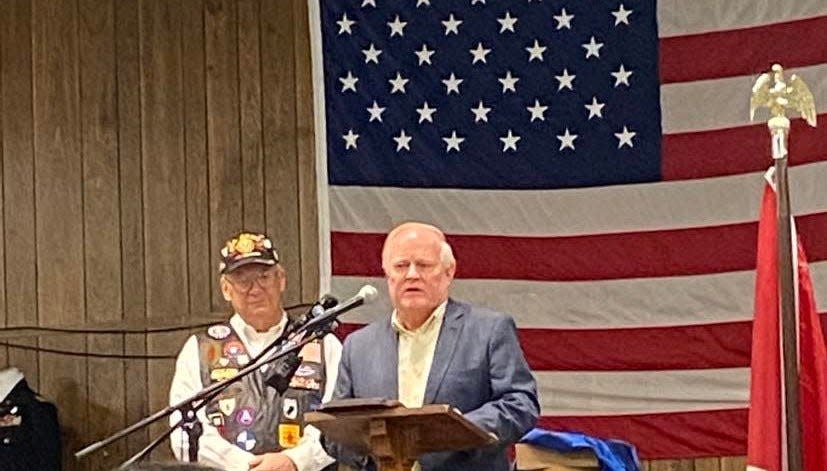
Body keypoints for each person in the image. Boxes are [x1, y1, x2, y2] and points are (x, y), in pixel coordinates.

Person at [331, 222, 539, 470]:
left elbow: (520, 404)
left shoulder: (489, 330)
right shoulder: (358, 346)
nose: (411, 275)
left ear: (449, 272)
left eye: (423, 265)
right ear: (387, 274)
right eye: (401, 266)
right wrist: (382, 452)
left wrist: (457, 430)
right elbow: (334, 428)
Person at [169, 231, 342, 471]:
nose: (255, 289)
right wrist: (245, 467)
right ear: (226, 289)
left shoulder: (323, 343)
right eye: (242, 280)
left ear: (281, 279)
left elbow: (339, 420)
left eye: (264, 277)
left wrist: (294, 461)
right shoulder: (200, 349)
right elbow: (183, 431)